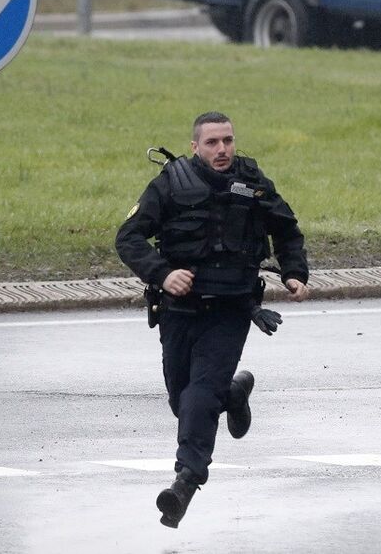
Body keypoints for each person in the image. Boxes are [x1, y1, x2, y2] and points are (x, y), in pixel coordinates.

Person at [116, 111, 311, 528]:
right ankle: (234, 393)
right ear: (195, 147)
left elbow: (286, 229)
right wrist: (163, 273)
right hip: (179, 311)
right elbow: (128, 237)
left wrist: (295, 272)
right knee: (181, 401)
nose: (222, 149)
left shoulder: (253, 182)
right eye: (212, 143)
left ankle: (185, 482)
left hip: (231, 309)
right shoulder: (170, 183)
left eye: (228, 140)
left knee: (199, 397)